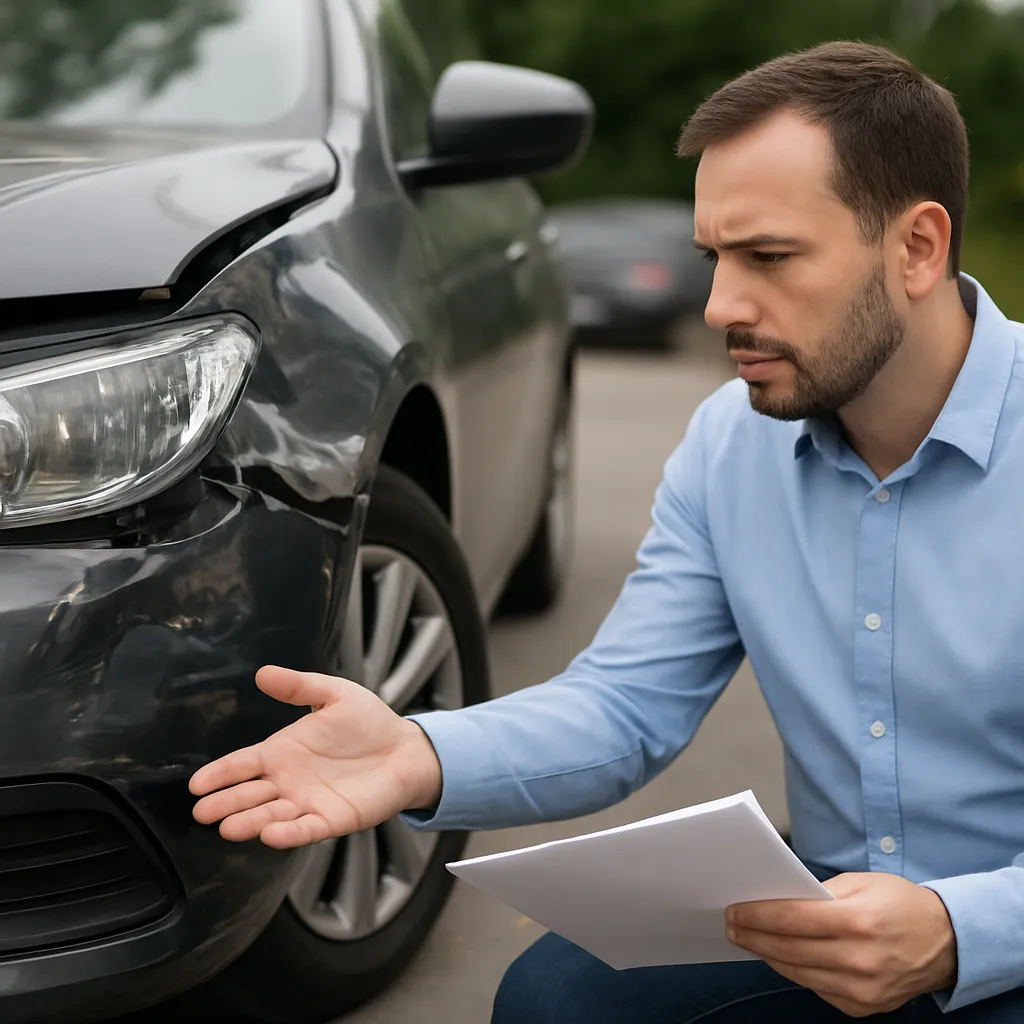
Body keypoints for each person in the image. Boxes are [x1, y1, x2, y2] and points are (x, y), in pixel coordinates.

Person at [189, 40, 1024, 1022]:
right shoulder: (730, 444)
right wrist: (416, 754)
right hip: (837, 918)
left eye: (769, 257)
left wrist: (961, 929)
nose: (719, 306)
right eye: (713, 258)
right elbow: (625, 706)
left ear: (917, 248)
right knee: (555, 999)